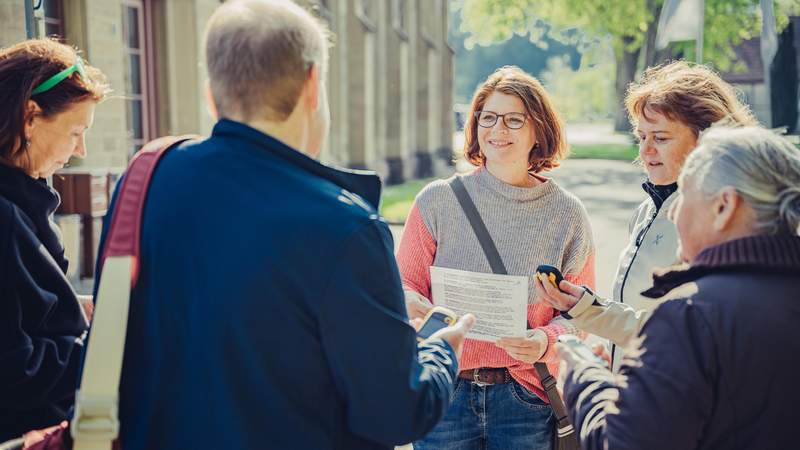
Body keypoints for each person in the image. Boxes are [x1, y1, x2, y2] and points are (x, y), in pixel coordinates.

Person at [91, 1, 473, 449]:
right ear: (313, 85)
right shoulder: (345, 227)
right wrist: (441, 352)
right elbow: (395, 414)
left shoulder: (145, 179)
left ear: (211, 95)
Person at [558, 125, 800, 450]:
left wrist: (583, 376)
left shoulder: (692, 314)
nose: (672, 213)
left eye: (684, 193)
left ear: (724, 206)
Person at [397, 66, 595, 450]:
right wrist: (408, 300)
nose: (497, 129)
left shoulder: (567, 214)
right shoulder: (437, 201)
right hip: (446, 389)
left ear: (538, 130)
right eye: (488, 117)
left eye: (513, 120)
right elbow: (402, 284)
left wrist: (545, 339)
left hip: (525, 397)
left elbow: (581, 314)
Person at [535, 61, 758, 367]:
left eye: (661, 138)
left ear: (707, 141)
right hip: (644, 396)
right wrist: (612, 356)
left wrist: (589, 311)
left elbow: (683, 334)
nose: (645, 151)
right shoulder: (647, 210)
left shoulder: (724, 221)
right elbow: (638, 316)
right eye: (641, 137)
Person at [0, 39, 108, 443]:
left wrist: (68, 304)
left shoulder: (22, 198)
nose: (81, 150)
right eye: (76, 132)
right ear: (30, 117)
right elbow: (14, 369)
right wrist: (106, 351)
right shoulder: (6, 217)